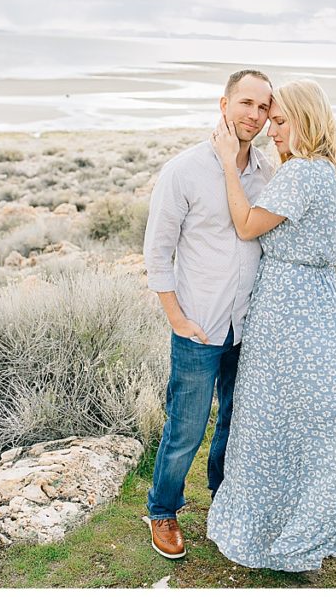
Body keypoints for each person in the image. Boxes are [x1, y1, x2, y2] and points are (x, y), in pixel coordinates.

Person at [206, 79, 336, 571]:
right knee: (313, 423)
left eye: (282, 120)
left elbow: (247, 225)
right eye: (271, 119)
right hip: (318, 305)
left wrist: (230, 163)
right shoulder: (330, 170)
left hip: (287, 310)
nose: (272, 129)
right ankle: (305, 521)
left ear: (307, 121)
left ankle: (269, 528)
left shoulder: (301, 174)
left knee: (269, 418)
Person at [141, 69, 274, 559]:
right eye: (246, 103)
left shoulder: (266, 172)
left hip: (249, 324)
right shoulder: (183, 170)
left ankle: (225, 499)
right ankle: (163, 509)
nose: (255, 116)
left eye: (264, 108)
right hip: (198, 325)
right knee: (187, 427)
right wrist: (176, 318)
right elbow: (158, 251)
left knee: (237, 422)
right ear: (224, 104)